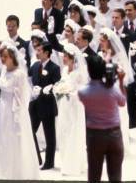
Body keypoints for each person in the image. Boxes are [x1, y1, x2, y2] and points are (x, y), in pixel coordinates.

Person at [0, 43, 39, 180]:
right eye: (1, 56)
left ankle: (15, 172)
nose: (2, 59)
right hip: (2, 109)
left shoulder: (19, 74)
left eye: (5, 56)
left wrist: (17, 115)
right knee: (1, 139)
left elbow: (22, 97)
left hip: (14, 110)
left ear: (12, 57)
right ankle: (2, 171)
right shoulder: (3, 71)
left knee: (13, 139)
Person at [78, 54, 127, 182]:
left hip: (94, 136)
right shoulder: (112, 89)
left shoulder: (83, 92)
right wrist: (120, 80)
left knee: (94, 174)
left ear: (89, 70)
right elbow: (122, 102)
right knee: (115, 176)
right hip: (114, 134)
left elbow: (90, 85)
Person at [56, 44, 89, 176]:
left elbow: (84, 91)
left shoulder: (79, 73)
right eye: (63, 56)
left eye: (66, 56)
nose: (63, 58)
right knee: (63, 131)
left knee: (73, 132)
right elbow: (61, 84)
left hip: (75, 106)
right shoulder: (64, 70)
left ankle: (73, 164)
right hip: (64, 105)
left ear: (72, 58)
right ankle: (65, 161)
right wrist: (58, 90)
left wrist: (71, 93)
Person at [29, 42, 61, 170]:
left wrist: (50, 88)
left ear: (46, 53)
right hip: (35, 104)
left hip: (47, 105)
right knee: (30, 131)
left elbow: (58, 84)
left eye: (39, 50)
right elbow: (29, 78)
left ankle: (49, 162)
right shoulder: (35, 65)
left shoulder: (54, 68)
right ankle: (36, 158)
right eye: (36, 50)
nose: (36, 53)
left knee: (49, 135)